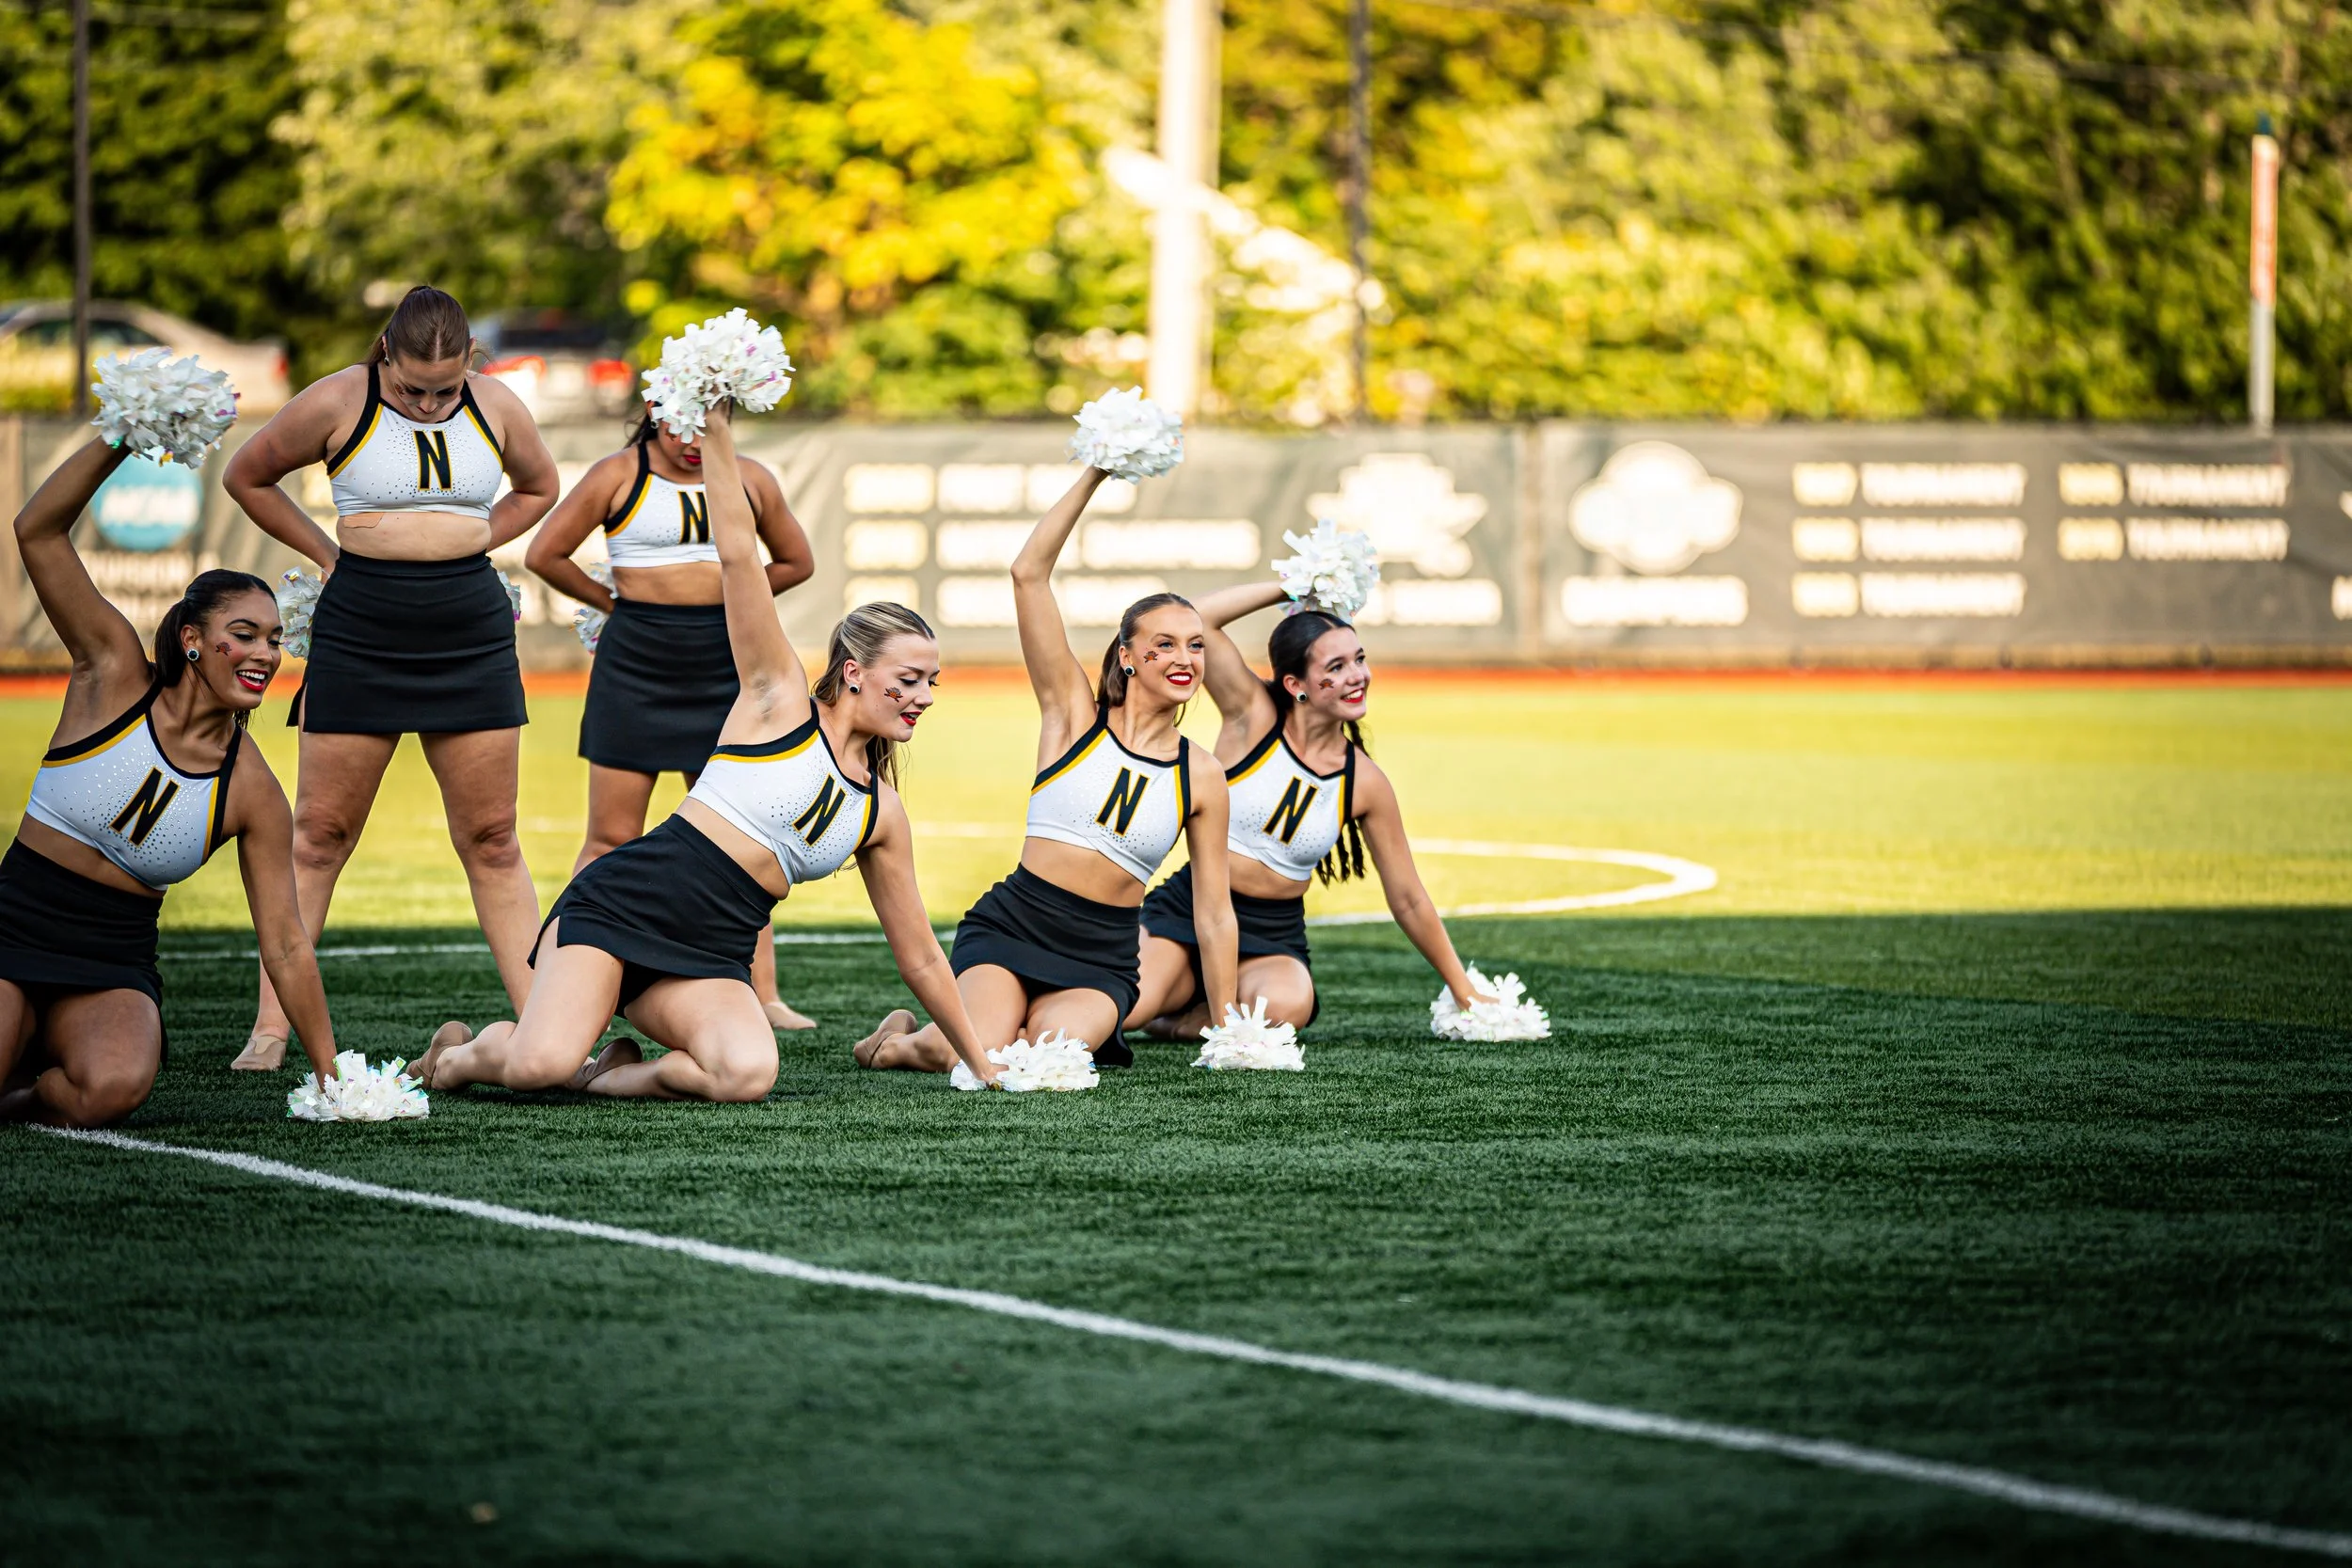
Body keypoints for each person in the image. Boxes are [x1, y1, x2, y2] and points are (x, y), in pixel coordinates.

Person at [409, 404, 999, 1099]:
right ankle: (459, 1055)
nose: (923, 696)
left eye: (931, 681)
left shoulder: (881, 813)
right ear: (853, 672)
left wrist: (981, 1064)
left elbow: (923, 957)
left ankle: (612, 1075)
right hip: (620, 909)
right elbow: (739, 555)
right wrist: (717, 431)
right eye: (908, 680)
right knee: (539, 1067)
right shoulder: (775, 700)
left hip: (709, 957)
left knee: (745, 1073)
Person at [221, 286, 560, 1070]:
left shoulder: (498, 404)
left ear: (471, 363)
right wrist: (326, 551)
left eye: (446, 388)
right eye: (412, 387)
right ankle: (272, 1028)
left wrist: (480, 533)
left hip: (469, 629)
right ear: (384, 352)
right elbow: (250, 474)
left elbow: (539, 489)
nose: (431, 404)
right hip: (363, 625)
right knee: (319, 836)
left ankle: (543, 1020)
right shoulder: (341, 397)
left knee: (494, 838)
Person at [1, 436, 339, 1126]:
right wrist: (121, 435)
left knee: (113, 1088)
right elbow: (36, 530)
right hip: (14, 922)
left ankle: (21, 1094)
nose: (264, 654)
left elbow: (284, 940)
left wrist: (336, 1080)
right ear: (192, 638)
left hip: (113, 956)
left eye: (275, 639)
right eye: (243, 634)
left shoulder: (251, 790)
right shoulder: (113, 672)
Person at [854, 466, 1236, 1073]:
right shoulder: (1073, 717)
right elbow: (1027, 573)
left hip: (1102, 956)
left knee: (1046, 1057)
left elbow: (1214, 910)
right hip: (1014, 927)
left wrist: (1229, 1026)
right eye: (1163, 644)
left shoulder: (1203, 773)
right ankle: (896, 1042)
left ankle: (942, 1029)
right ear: (1129, 657)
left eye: (1195, 644)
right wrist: (1097, 473)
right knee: (972, 1051)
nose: (1183, 657)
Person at [526, 404, 818, 1031]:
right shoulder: (616, 475)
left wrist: (743, 600)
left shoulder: (751, 478)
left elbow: (798, 562)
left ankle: (763, 994)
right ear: (654, 414)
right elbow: (545, 553)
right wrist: (614, 602)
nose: (691, 441)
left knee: (742, 840)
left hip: (725, 662)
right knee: (609, 835)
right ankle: (563, 989)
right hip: (635, 661)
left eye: (706, 425)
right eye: (678, 424)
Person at [1125, 584, 1492, 1039]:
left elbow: (1409, 898)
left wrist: (1465, 990)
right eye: (1335, 667)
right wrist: (1291, 585)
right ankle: (1169, 998)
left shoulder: (1364, 781)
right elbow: (1197, 617)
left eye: (1359, 659)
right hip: (1193, 907)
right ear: (1295, 685)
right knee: (1128, 1009)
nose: (1356, 676)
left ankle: (1181, 1018)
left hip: (1273, 932)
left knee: (1285, 1007)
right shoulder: (1253, 716)